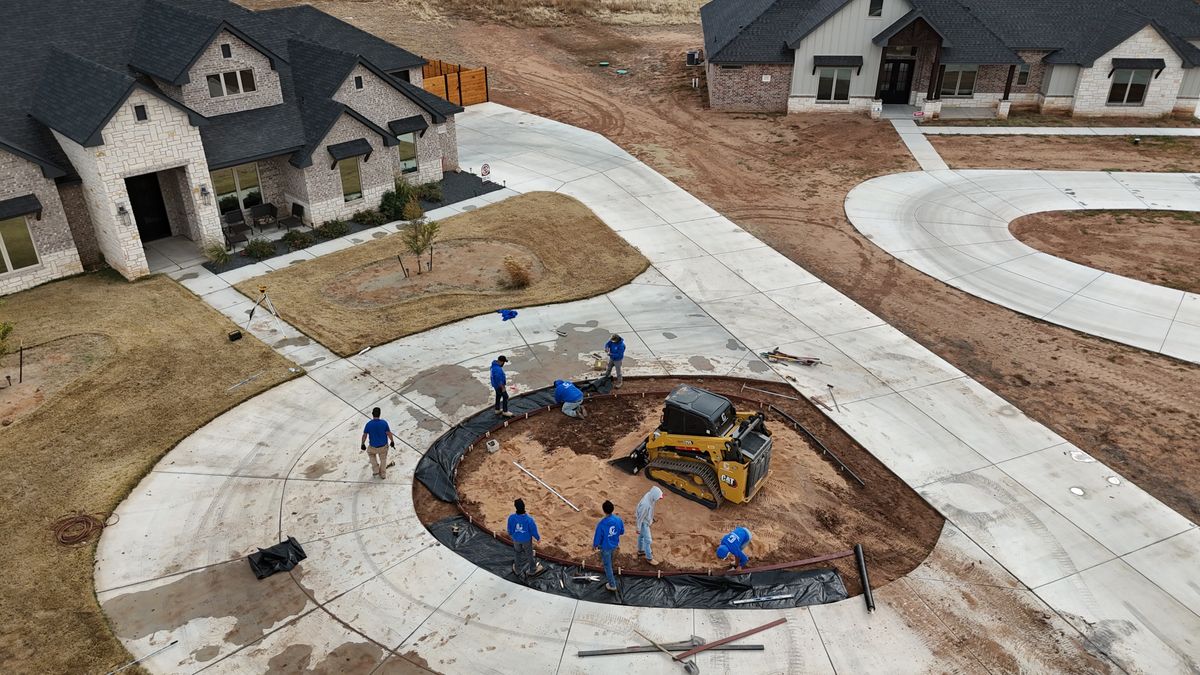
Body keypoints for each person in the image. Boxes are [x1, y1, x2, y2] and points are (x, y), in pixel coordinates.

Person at [592, 500, 625, 592]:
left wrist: (595, 545)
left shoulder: (602, 524)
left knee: (607, 566)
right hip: (614, 544)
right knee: (611, 559)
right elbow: (622, 531)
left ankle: (612, 585)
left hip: (605, 548)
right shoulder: (618, 520)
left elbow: (598, 537)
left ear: (604, 510)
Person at [506, 498, 544, 578]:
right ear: (524, 507)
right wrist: (538, 538)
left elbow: (509, 530)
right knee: (529, 554)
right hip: (526, 540)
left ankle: (517, 569)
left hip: (516, 539)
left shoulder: (511, 518)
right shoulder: (529, 520)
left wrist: (512, 534)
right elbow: (533, 531)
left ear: (515, 507)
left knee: (517, 552)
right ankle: (533, 569)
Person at [360, 407, 395, 479]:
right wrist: (392, 441)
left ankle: (376, 470)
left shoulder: (368, 424)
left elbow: (364, 435)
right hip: (383, 447)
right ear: (380, 414)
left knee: (370, 453)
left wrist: (362, 444)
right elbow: (388, 433)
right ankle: (383, 474)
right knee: (383, 459)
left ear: (372, 414)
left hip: (373, 447)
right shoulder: (384, 423)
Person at [635, 486, 663, 566]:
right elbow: (640, 517)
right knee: (648, 540)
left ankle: (640, 551)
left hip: (646, 520)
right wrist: (638, 528)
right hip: (644, 523)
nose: (659, 499)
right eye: (658, 497)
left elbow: (650, 510)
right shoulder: (645, 504)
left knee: (641, 537)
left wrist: (651, 518)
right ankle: (649, 558)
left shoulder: (650, 496)